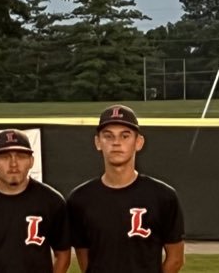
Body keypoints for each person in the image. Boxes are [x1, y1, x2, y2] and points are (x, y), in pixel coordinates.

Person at [67, 105, 185, 273]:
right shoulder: (80, 199)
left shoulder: (163, 196)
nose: (116, 142)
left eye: (125, 136)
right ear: (98, 142)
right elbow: (85, 260)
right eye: (108, 136)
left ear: (138, 142)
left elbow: (176, 258)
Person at [0, 129, 70, 273]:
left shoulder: (52, 201)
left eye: (21, 156)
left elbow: (63, 254)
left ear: (31, 161)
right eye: (5, 157)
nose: (13, 163)